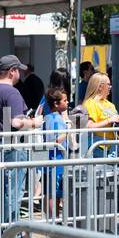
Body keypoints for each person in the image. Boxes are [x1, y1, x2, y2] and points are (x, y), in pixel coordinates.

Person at [0, 55, 42, 237]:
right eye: (18, 70)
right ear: (12, 71)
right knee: (14, 189)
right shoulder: (12, 92)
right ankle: (12, 232)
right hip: (13, 144)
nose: (20, 73)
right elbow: (17, 122)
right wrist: (35, 122)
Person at [80, 70, 119, 156]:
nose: (110, 86)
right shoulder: (90, 103)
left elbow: (112, 120)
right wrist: (108, 120)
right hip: (99, 147)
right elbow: (89, 126)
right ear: (100, 87)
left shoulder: (109, 104)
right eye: (108, 84)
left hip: (113, 147)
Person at [40, 87, 70, 216]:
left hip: (54, 162)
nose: (68, 102)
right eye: (65, 100)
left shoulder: (51, 117)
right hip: (55, 163)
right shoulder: (54, 119)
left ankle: (53, 219)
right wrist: (68, 131)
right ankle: (52, 220)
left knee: (53, 193)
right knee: (52, 194)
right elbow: (54, 140)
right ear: (56, 103)